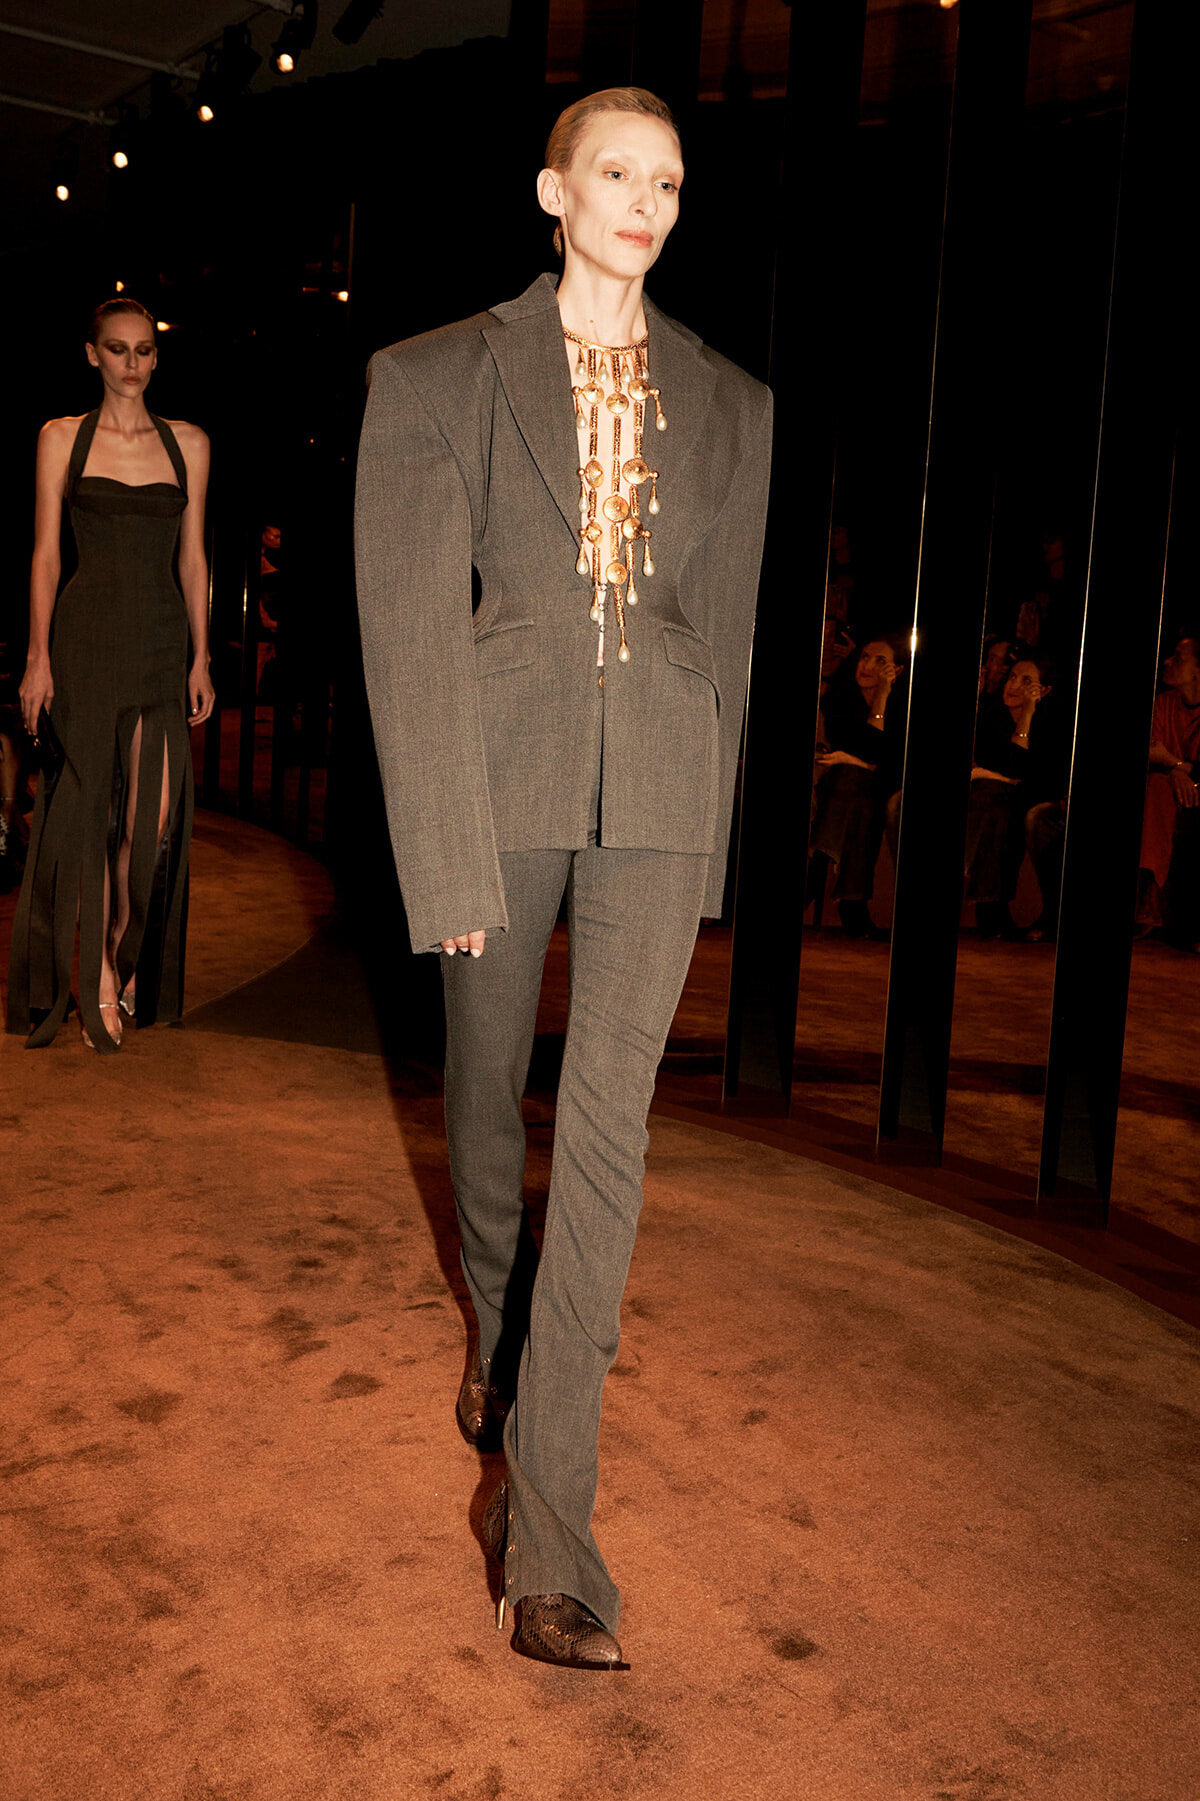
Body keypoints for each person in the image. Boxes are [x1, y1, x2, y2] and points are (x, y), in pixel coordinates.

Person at [355, 88, 771, 1670]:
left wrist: (712, 836)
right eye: (617, 172)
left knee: (608, 1132)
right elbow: (408, 623)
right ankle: (496, 1311)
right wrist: (442, 845)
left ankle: (555, 1546)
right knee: (481, 1088)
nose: (645, 200)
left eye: (669, 180)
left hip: (661, 785)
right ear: (554, 189)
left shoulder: (735, 405)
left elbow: (720, 643)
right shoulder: (438, 373)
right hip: (498, 771)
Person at [7, 298, 213, 1052]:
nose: (134, 363)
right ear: (92, 354)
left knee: (150, 823)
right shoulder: (61, 438)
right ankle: (96, 974)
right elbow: (46, 555)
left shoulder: (189, 442)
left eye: (146, 351)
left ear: (157, 357)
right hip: (84, 640)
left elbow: (192, 558)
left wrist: (202, 654)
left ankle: (123, 941)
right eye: (119, 350)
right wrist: (37, 658)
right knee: (89, 817)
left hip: (160, 641)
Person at [809, 634, 908, 938]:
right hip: (843, 789)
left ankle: (816, 867)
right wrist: (863, 763)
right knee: (857, 790)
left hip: (879, 789)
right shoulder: (837, 699)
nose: (868, 666)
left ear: (897, 671)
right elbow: (864, 753)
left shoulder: (903, 706)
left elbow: (883, 761)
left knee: (858, 787)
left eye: (881, 662)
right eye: (865, 657)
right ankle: (853, 904)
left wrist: (881, 696)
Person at [965, 653, 1059, 938]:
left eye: (1026, 681)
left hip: (1032, 799)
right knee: (993, 797)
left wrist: (1027, 716)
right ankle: (991, 905)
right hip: (993, 799)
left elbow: (1024, 773)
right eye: (1012, 677)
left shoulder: (1051, 724)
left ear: (1043, 691)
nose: (1014, 685)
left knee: (998, 798)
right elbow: (1001, 768)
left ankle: (991, 906)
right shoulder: (992, 718)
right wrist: (997, 776)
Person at [1136, 630, 1200, 949]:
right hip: (1168, 789)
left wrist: (1176, 766)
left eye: (1178, 657)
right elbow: (1152, 750)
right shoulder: (1164, 703)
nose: (1167, 661)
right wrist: (1177, 767)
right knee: (1158, 787)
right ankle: (1153, 901)